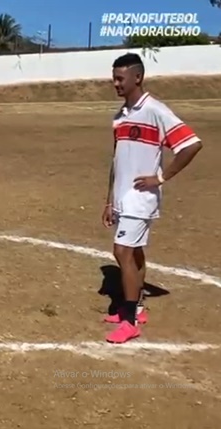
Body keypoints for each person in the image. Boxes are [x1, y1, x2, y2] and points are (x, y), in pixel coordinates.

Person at [102, 53, 202, 344]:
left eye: (120, 78)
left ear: (137, 77)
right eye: (114, 78)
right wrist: (109, 200)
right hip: (122, 197)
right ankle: (138, 308)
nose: (116, 83)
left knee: (122, 252)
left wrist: (161, 178)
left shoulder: (155, 110)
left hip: (141, 198)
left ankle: (130, 320)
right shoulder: (119, 116)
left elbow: (191, 144)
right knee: (134, 252)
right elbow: (116, 159)